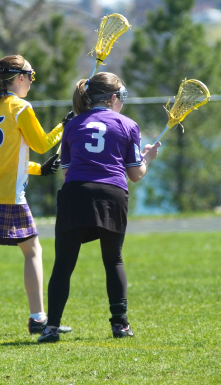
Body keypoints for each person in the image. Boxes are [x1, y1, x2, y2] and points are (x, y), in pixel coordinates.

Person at [37, 72, 161, 343]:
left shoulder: (73, 124)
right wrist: (148, 156)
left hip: (76, 193)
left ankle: (51, 328)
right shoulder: (128, 124)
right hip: (111, 194)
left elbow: (66, 173)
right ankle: (120, 325)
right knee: (113, 259)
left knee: (64, 264)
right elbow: (136, 174)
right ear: (113, 98)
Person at [0, 54, 73, 337]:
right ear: (19, 78)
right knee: (33, 251)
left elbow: (5, 157)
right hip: (8, 195)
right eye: (31, 76)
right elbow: (42, 143)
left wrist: (38, 170)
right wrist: (64, 127)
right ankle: (38, 319)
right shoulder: (20, 107)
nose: (32, 82)